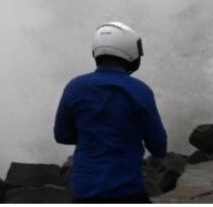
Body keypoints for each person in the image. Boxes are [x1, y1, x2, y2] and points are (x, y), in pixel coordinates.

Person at [54, 22, 168, 203]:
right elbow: (158, 143)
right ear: (131, 51)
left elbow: (62, 135)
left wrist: (93, 134)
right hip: (126, 189)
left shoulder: (74, 87)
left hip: (84, 190)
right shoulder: (140, 90)